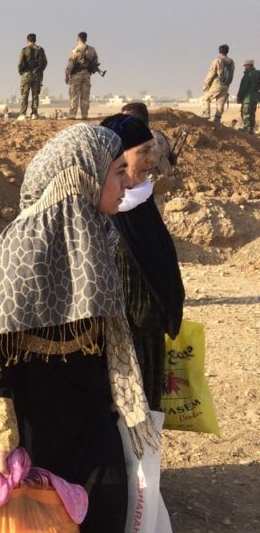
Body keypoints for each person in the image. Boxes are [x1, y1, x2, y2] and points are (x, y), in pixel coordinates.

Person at [0, 123, 156, 533]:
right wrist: (2, 446)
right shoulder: (20, 248)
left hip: (90, 420)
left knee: (102, 520)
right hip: (30, 430)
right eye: (117, 174)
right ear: (82, 177)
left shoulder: (99, 237)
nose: (125, 185)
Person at [101, 113, 185, 411]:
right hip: (117, 340)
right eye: (144, 152)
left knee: (148, 419)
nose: (152, 159)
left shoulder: (142, 199)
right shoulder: (102, 212)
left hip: (149, 335)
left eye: (153, 149)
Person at [121, 101, 176, 213]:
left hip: (142, 201)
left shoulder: (141, 142)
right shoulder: (161, 137)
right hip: (155, 199)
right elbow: (171, 156)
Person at [65, 31, 100, 120]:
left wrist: (67, 74)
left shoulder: (75, 50)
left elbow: (70, 64)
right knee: (85, 95)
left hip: (76, 75)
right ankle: (84, 115)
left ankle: (72, 114)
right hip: (87, 74)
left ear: (78, 39)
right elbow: (95, 62)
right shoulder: (92, 50)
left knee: (74, 95)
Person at [16, 33, 47, 120]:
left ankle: (22, 114)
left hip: (26, 75)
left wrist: (21, 73)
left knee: (24, 94)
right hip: (36, 75)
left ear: (27, 41)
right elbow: (44, 63)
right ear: (35, 40)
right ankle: (34, 113)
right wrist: (39, 71)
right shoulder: (40, 50)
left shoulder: (24, 50)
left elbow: (19, 63)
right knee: (35, 95)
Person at [201, 44, 234, 123]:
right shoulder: (231, 62)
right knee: (220, 102)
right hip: (226, 85)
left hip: (217, 84)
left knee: (206, 98)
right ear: (227, 51)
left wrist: (205, 84)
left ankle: (206, 113)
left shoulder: (217, 60)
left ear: (219, 51)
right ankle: (217, 118)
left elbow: (211, 73)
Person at [236, 58, 259, 134]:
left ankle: (247, 129)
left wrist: (239, 97)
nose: (244, 68)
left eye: (245, 66)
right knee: (252, 114)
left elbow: (243, 88)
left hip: (247, 98)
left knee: (245, 113)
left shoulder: (248, 75)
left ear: (249, 66)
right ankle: (251, 130)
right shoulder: (258, 73)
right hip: (255, 98)